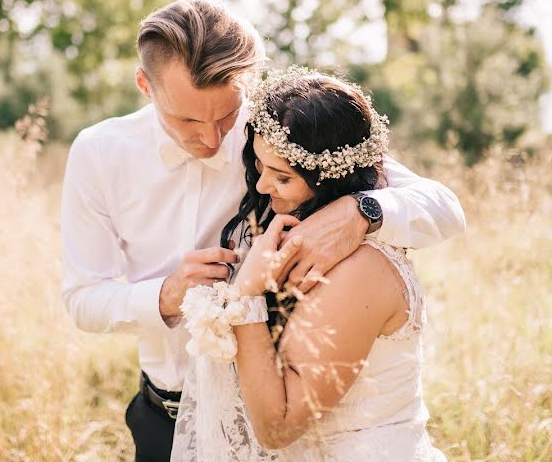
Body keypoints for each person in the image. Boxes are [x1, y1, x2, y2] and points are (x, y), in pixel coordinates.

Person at [60, 0, 464, 462]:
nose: (211, 141)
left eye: (225, 117)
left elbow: (445, 206)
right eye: (187, 120)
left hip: (272, 418)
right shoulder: (98, 154)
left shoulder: (279, 134)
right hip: (163, 416)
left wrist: (359, 211)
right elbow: (82, 300)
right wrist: (167, 295)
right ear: (144, 86)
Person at [172, 67, 446, 461]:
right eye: (260, 166)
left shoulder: (361, 271)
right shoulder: (298, 239)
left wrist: (247, 294)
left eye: (282, 178)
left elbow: (277, 426)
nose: (263, 186)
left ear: (330, 180)